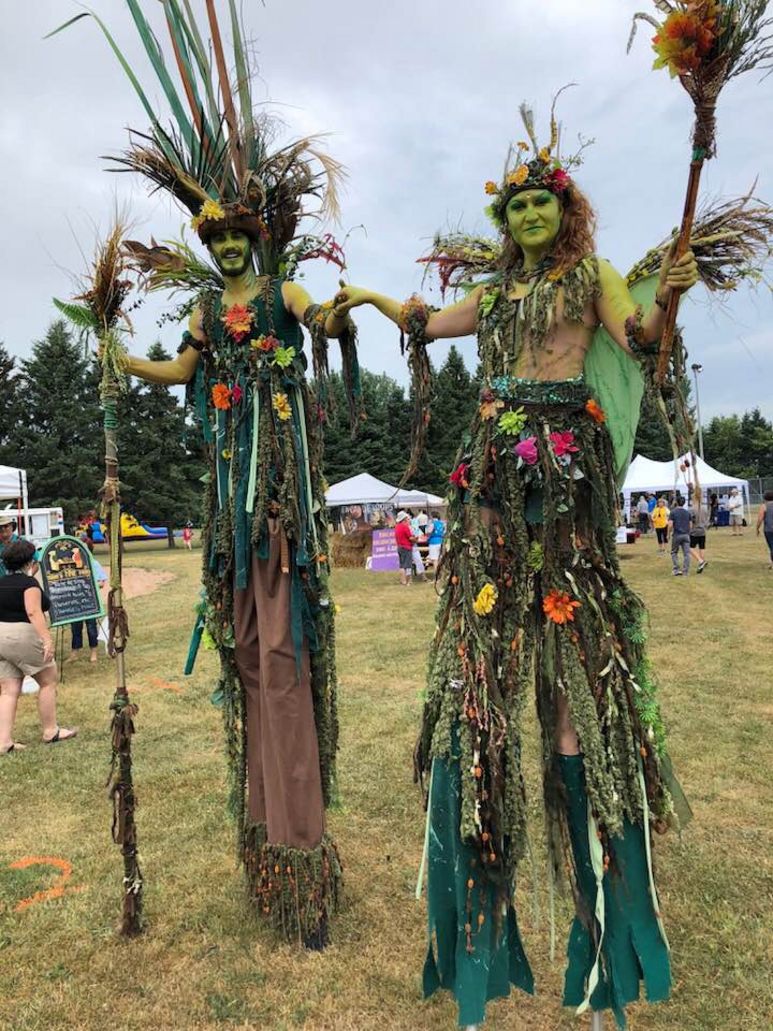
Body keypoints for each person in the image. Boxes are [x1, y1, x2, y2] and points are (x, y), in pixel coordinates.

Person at [334, 110, 697, 1028]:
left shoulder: (589, 276)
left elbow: (639, 338)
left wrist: (666, 302)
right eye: (518, 206)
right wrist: (369, 298)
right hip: (492, 472)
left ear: (564, 211)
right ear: (506, 219)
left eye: (543, 203)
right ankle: (477, 907)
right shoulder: (496, 292)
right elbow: (427, 322)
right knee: (481, 665)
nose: (531, 215)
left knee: (574, 656)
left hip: (565, 470)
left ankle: (598, 881)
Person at [87, 4, 361, 949]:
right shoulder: (207, 311)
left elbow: (318, 317)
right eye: (220, 239)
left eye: (240, 235)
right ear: (211, 248)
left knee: (280, 663)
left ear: (257, 238)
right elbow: (181, 371)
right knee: (248, 660)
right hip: (228, 513)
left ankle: (300, 855)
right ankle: (267, 844)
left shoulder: (281, 293)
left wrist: (339, 319)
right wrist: (124, 360)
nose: (231, 247)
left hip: (275, 506)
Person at [0, 539, 77, 753]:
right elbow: (33, 611)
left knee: (8, 690)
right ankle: (50, 730)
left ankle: (4, 741)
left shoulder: (2, 582)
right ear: (29, 561)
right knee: (48, 680)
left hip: (1, 636)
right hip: (22, 634)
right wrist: (46, 639)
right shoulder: (29, 584)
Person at [668, 496, 692, 576]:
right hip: (686, 534)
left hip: (677, 534)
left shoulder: (673, 512)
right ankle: (685, 571)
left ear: (676, 502)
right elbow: (690, 524)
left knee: (674, 552)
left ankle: (676, 569)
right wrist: (688, 533)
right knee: (687, 554)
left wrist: (668, 534)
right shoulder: (687, 512)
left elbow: (670, 525)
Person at [688, 490, 709, 573]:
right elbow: (706, 519)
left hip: (694, 531)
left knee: (690, 548)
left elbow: (691, 520)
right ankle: (702, 562)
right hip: (703, 530)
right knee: (702, 547)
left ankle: (701, 561)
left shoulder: (692, 509)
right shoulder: (704, 508)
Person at [394, 510, 415, 586]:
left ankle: (403, 581)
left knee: (402, 565)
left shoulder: (397, 527)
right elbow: (410, 537)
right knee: (408, 565)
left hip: (399, 547)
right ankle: (408, 581)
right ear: (404, 519)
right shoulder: (405, 527)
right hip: (406, 547)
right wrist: (415, 539)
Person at [756, 489, 773, 568]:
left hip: (769, 529)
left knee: (771, 546)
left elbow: (760, 519)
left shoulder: (764, 506)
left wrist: (757, 528)